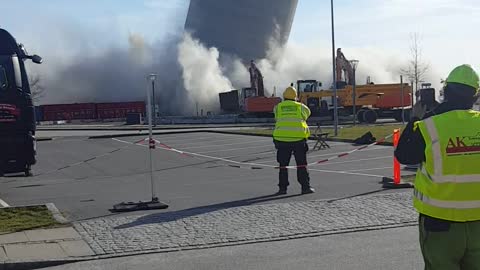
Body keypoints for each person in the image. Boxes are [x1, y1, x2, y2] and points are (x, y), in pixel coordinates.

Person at [395, 64, 480, 270]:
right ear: (475, 96)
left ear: (446, 92)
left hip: (440, 223)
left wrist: (415, 117)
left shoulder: (428, 125)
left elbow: (403, 155)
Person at [273, 86, 315, 195]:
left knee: (283, 165)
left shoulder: (278, 107)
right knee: (301, 165)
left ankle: (282, 189)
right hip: (298, 139)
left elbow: (277, 118)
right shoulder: (301, 107)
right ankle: (305, 187)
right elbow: (307, 114)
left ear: (284, 96)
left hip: (281, 139)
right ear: (295, 97)